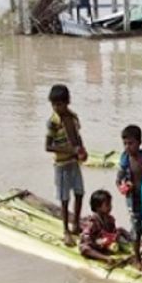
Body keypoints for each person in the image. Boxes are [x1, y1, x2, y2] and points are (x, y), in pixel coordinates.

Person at [45, 84, 88, 247]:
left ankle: (76, 224)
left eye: (59, 104)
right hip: (61, 164)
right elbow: (48, 146)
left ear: (67, 102)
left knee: (79, 193)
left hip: (74, 162)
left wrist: (82, 150)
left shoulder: (73, 117)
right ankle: (66, 230)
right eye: (54, 105)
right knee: (64, 198)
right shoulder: (53, 122)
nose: (56, 108)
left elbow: (77, 136)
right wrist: (70, 150)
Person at [116, 124, 142, 270]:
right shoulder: (125, 160)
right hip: (134, 199)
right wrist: (124, 187)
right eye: (125, 143)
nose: (127, 147)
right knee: (137, 230)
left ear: (139, 142)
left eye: (131, 143)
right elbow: (118, 181)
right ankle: (137, 259)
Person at [79, 189, 132, 262]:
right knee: (85, 248)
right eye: (107, 205)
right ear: (98, 207)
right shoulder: (92, 222)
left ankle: (132, 243)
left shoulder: (110, 219)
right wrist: (97, 242)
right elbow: (86, 239)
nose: (110, 207)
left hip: (106, 243)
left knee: (121, 230)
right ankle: (105, 258)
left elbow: (113, 232)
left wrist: (113, 237)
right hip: (95, 244)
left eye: (110, 204)